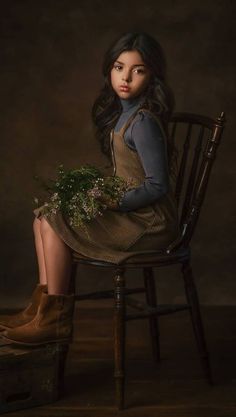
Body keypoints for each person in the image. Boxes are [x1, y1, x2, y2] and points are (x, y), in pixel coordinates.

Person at [0, 32, 179, 346]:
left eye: (138, 70)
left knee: (55, 222)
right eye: (119, 67)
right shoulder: (122, 116)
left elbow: (157, 186)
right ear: (109, 69)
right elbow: (126, 174)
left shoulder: (144, 122)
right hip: (133, 210)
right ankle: (42, 309)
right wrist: (95, 192)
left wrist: (113, 201)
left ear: (152, 77)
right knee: (43, 216)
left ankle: (55, 319)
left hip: (150, 221)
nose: (125, 77)